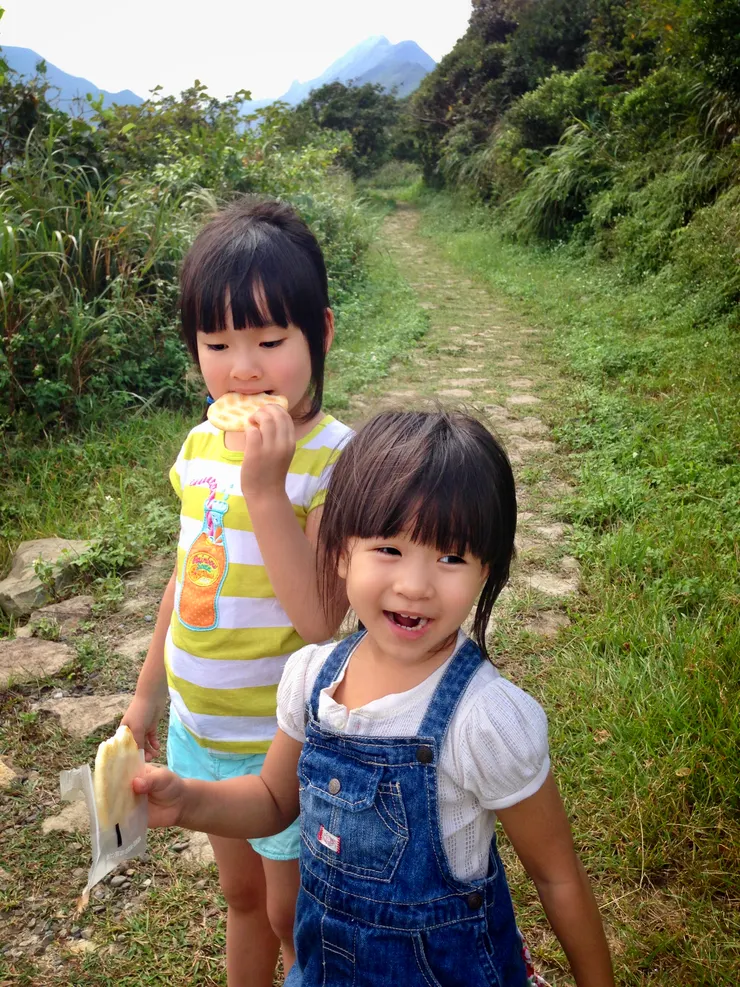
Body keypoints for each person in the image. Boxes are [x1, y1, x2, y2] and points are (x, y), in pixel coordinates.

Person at [134, 410, 615, 987]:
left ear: (487, 571)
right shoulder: (310, 678)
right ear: (339, 553)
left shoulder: (485, 718)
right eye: (388, 548)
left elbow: (556, 875)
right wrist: (186, 800)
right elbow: (271, 801)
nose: (415, 584)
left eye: (452, 557)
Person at [121, 198, 351, 986]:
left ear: (319, 333)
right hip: (201, 725)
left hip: (279, 741)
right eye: (217, 343)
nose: (243, 367)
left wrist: (266, 488)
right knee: (240, 894)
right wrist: (148, 696)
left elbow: (323, 618)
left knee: (291, 912)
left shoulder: (335, 462)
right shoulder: (198, 444)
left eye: (269, 340)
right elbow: (189, 575)